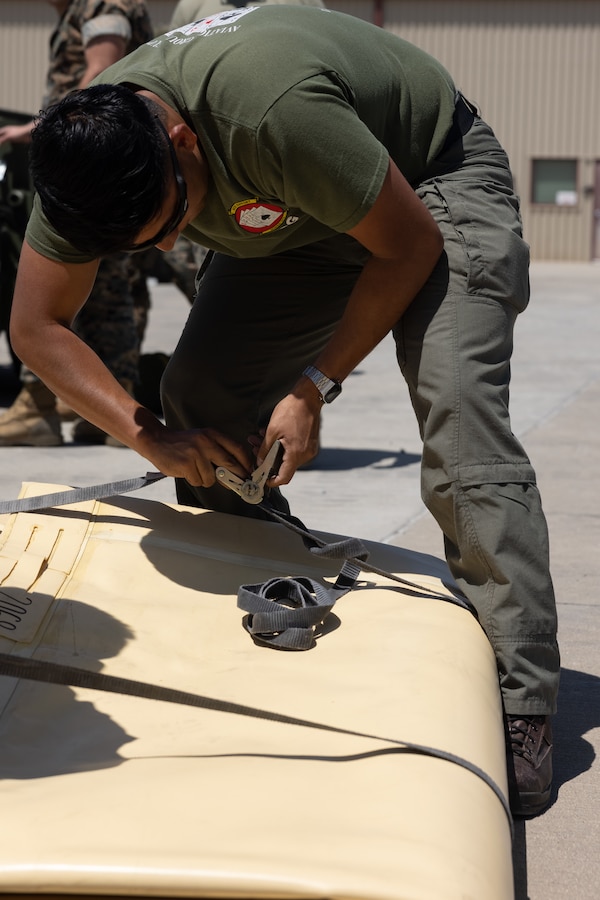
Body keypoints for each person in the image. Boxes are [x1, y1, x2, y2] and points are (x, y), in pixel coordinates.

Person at [11, 7, 559, 816]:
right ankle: (265, 590)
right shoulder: (92, 157)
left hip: (427, 183)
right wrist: (151, 435)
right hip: (293, 213)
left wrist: (312, 385)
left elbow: (407, 247)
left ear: (184, 142)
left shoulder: (268, 110)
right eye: (139, 243)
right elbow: (36, 326)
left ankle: (522, 695)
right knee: (198, 399)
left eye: (170, 220)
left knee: (458, 415)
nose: (164, 249)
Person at [0, 0, 153, 446]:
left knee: (66, 294)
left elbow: (102, 72)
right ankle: (109, 414)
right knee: (108, 291)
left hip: (94, 165)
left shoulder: (103, 3)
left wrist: (37, 128)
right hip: (102, 162)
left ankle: (42, 406)